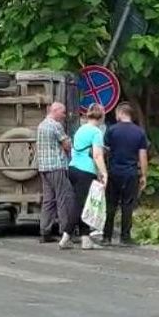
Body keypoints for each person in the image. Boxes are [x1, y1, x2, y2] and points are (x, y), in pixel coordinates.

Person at [103, 102, 148, 247]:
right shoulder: (139, 132)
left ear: (121, 113)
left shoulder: (111, 130)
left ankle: (106, 237)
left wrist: (103, 171)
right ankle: (125, 237)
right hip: (131, 173)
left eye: (116, 114)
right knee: (128, 205)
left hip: (114, 171)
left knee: (111, 204)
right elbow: (143, 156)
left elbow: (105, 151)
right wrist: (144, 175)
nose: (116, 116)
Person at [67, 104, 108, 250]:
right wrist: (104, 173)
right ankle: (66, 236)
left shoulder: (81, 129)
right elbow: (97, 155)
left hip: (72, 168)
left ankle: (85, 239)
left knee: (84, 204)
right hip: (85, 170)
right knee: (80, 205)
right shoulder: (96, 132)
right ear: (102, 116)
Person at [36, 102, 74, 246]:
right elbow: (67, 145)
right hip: (56, 166)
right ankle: (65, 232)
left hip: (44, 167)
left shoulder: (41, 125)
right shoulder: (55, 126)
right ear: (56, 111)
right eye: (63, 113)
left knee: (48, 200)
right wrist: (69, 142)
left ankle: (44, 231)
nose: (64, 116)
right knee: (62, 198)